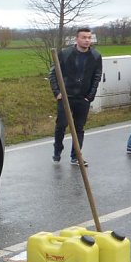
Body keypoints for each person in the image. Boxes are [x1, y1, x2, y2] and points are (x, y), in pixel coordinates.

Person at [49, 27, 103, 166]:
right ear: (77, 39)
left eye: (89, 38)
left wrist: (89, 96)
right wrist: (57, 92)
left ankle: (76, 156)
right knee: (61, 125)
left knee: (79, 127)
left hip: (83, 98)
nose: (87, 40)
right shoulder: (65, 54)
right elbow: (53, 74)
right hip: (66, 96)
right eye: (84, 37)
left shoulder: (96, 56)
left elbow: (96, 77)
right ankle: (57, 151)